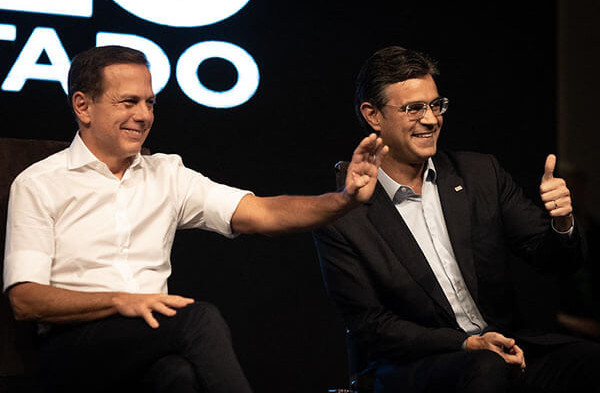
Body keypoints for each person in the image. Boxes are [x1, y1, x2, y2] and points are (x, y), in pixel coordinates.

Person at [2, 45, 388, 393]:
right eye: (128, 102)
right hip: (71, 350)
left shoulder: (167, 174)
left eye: (150, 103)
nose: (143, 115)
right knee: (197, 319)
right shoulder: (40, 184)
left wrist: (343, 200)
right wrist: (121, 301)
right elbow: (25, 299)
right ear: (83, 106)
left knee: (177, 376)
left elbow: (263, 213)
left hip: (147, 342)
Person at [313, 46, 600, 392]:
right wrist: (464, 343)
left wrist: (562, 221)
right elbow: (371, 326)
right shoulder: (342, 213)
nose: (432, 119)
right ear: (373, 115)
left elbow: (557, 260)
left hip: (505, 347)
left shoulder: (481, 174)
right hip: (416, 365)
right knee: (486, 369)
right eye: (414, 108)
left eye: (435, 105)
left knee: (588, 360)